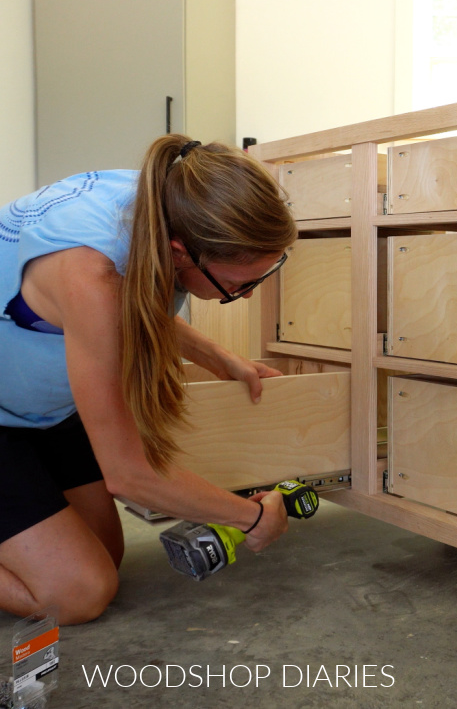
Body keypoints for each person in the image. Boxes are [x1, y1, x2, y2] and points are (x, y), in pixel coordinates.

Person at [0, 134, 298, 624]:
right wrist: (250, 517)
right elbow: (129, 475)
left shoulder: (173, 197)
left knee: (103, 555)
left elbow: (131, 305)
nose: (245, 297)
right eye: (239, 284)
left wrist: (217, 356)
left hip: (45, 409)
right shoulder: (89, 271)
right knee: (78, 593)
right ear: (182, 253)